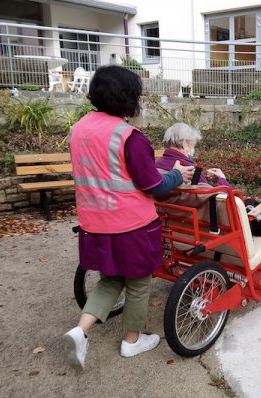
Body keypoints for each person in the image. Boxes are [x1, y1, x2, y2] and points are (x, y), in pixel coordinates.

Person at [62, 65, 194, 371]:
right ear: (129, 98)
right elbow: (154, 186)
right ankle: (132, 341)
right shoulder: (129, 137)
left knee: (111, 279)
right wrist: (177, 174)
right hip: (131, 225)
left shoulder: (78, 129)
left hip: (93, 222)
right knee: (137, 282)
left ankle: (80, 331)